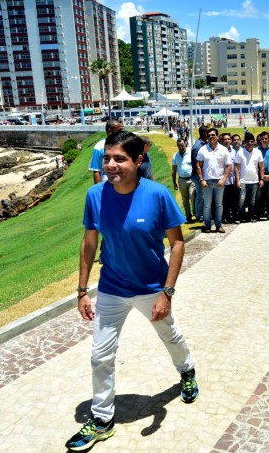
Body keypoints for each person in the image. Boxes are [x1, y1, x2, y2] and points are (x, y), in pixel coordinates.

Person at [66, 131, 197, 451]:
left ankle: (188, 370)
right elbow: (89, 243)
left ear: (138, 161)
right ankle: (102, 420)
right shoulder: (95, 196)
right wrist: (82, 290)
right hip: (111, 287)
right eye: (107, 158)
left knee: (170, 335)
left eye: (119, 159)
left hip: (152, 287)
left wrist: (167, 292)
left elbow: (177, 244)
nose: (110, 164)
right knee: (100, 355)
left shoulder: (157, 195)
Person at [196, 128, 233, 233]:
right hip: (207, 182)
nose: (211, 137)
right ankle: (207, 226)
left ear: (217, 136)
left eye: (213, 135)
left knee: (218, 204)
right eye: (209, 135)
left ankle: (218, 225)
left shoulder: (223, 150)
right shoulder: (203, 149)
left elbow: (229, 166)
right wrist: (201, 179)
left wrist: (224, 179)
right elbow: (198, 165)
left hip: (219, 181)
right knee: (207, 204)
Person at [235, 132, 264, 222]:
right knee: (242, 200)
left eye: (252, 141)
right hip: (243, 180)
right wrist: (238, 180)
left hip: (254, 180)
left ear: (254, 142)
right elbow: (236, 167)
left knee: (252, 200)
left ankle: (251, 216)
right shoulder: (240, 152)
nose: (250, 143)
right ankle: (240, 216)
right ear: (245, 143)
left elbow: (261, 166)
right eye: (248, 141)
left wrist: (262, 179)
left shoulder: (258, 152)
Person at [90, 119, 124, 184]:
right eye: (119, 131)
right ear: (109, 131)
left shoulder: (125, 144)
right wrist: (98, 191)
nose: (121, 133)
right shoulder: (99, 147)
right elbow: (96, 171)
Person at [171, 138, 195, 222]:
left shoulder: (190, 153)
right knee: (185, 200)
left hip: (192, 179)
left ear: (185, 144)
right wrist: (174, 183)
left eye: (182, 145)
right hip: (182, 180)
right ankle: (188, 216)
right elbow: (174, 170)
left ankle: (196, 213)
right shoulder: (175, 156)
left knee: (193, 197)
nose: (181, 147)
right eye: (179, 146)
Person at [221, 133, 241, 224]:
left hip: (233, 179)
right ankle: (225, 217)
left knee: (234, 200)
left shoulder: (234, 151)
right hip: (224, 180)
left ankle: (234, 216)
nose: (227, 141)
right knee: (225, 201)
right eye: (225, 139)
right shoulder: (220, 151)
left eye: (228, 139)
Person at [190, 126, 208, 222]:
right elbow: (196, 163)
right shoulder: (198, 146)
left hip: (201, 174)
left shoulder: (203, 144)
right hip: (198, 175)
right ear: (204, 133)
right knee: (200, 196)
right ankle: (199, 215)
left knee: (203, 196)